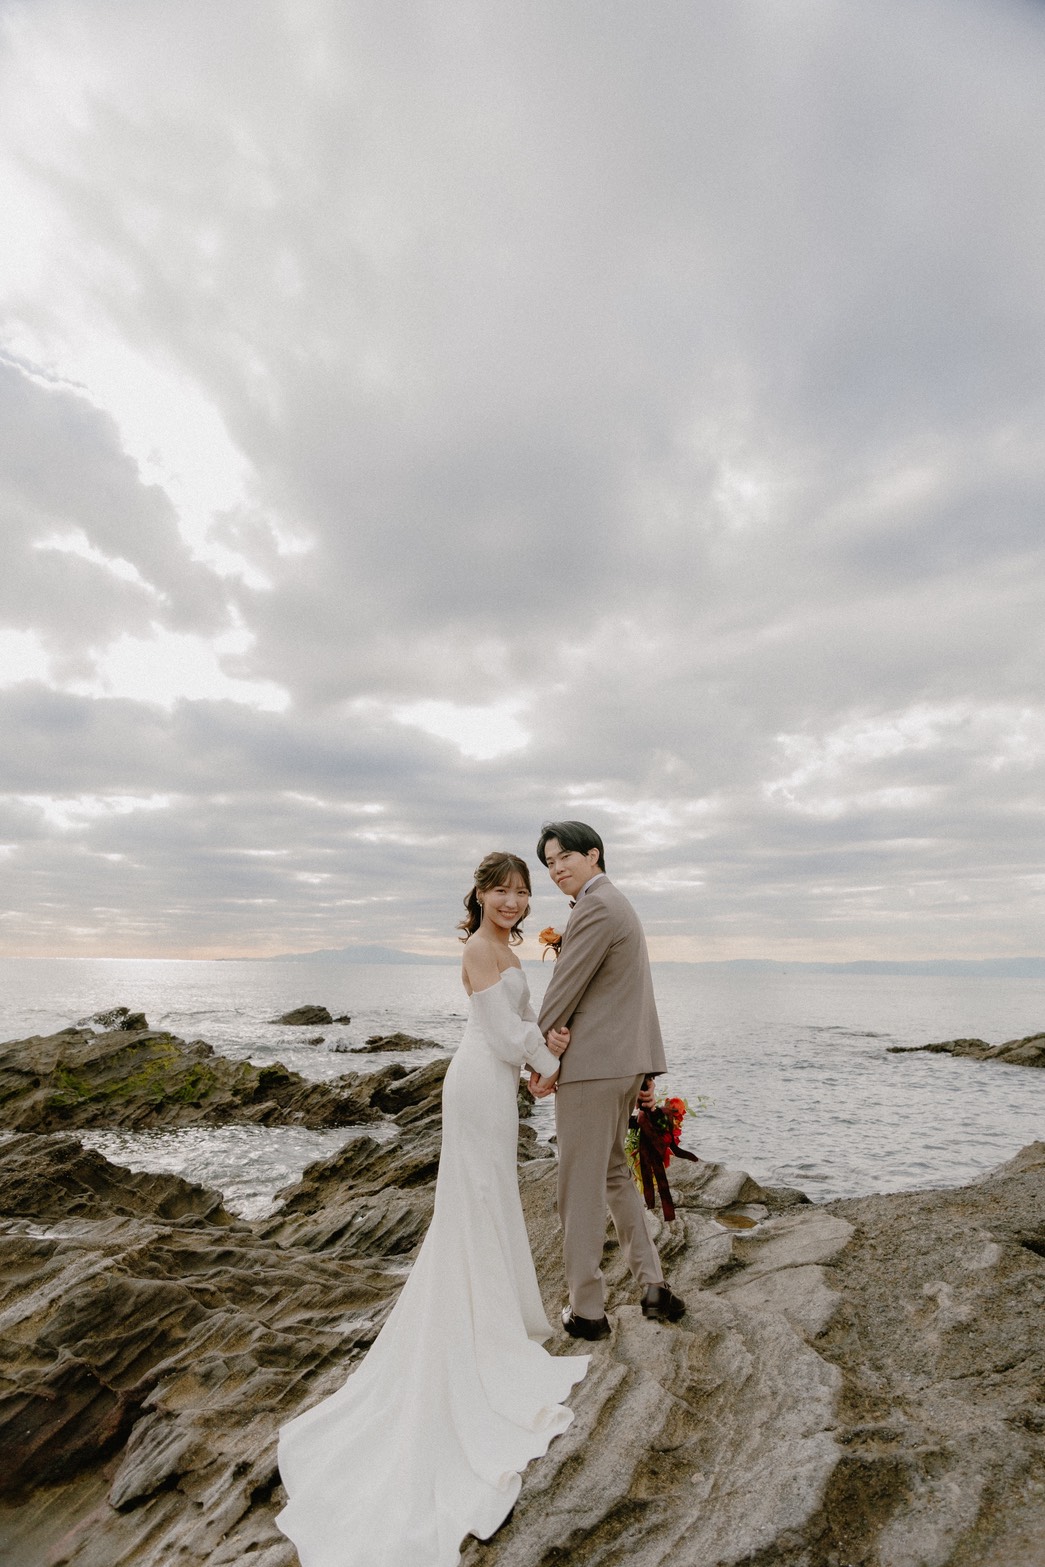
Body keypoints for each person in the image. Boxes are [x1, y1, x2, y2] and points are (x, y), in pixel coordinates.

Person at [275, 851, 589, 1567]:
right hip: (477, 1084)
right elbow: (504, 1036)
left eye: (521, 892)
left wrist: (546, 1052)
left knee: (489, 1199)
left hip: (496, 1085)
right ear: (478, 894)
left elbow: (523, 1026)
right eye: (499, 890)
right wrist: (548, 1060)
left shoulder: (505, 950)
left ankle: (493, 1320)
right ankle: (479, 1335)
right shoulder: (480, 948)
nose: (511, 902)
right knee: (474, 1203)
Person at [531, 820, 686, 1340]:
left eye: (564, 857)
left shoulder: (596, 906)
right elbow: (634, 993)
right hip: (621, 1065)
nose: (556, 869)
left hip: (593, 1069)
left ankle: (588, 1311)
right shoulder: (616, 903)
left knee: (578, 1188)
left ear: (593, 854)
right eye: (549, 863)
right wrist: (645, 1068)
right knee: (615, 1174)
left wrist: (538, 1059)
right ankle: (654, 1287)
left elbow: (565, 986)